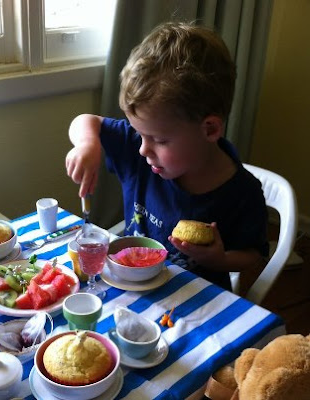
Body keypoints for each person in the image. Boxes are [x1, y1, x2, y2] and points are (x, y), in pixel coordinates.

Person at [65, 21, 268, 291]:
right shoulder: (137, 150)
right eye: (140, 134)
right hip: (132, 290)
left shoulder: (243, 193)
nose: (143, 149)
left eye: (159, 140)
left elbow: (252, 254)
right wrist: (88, 144)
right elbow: (85, 121)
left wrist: (219, 260)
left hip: (194, 299)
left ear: (210, 129)